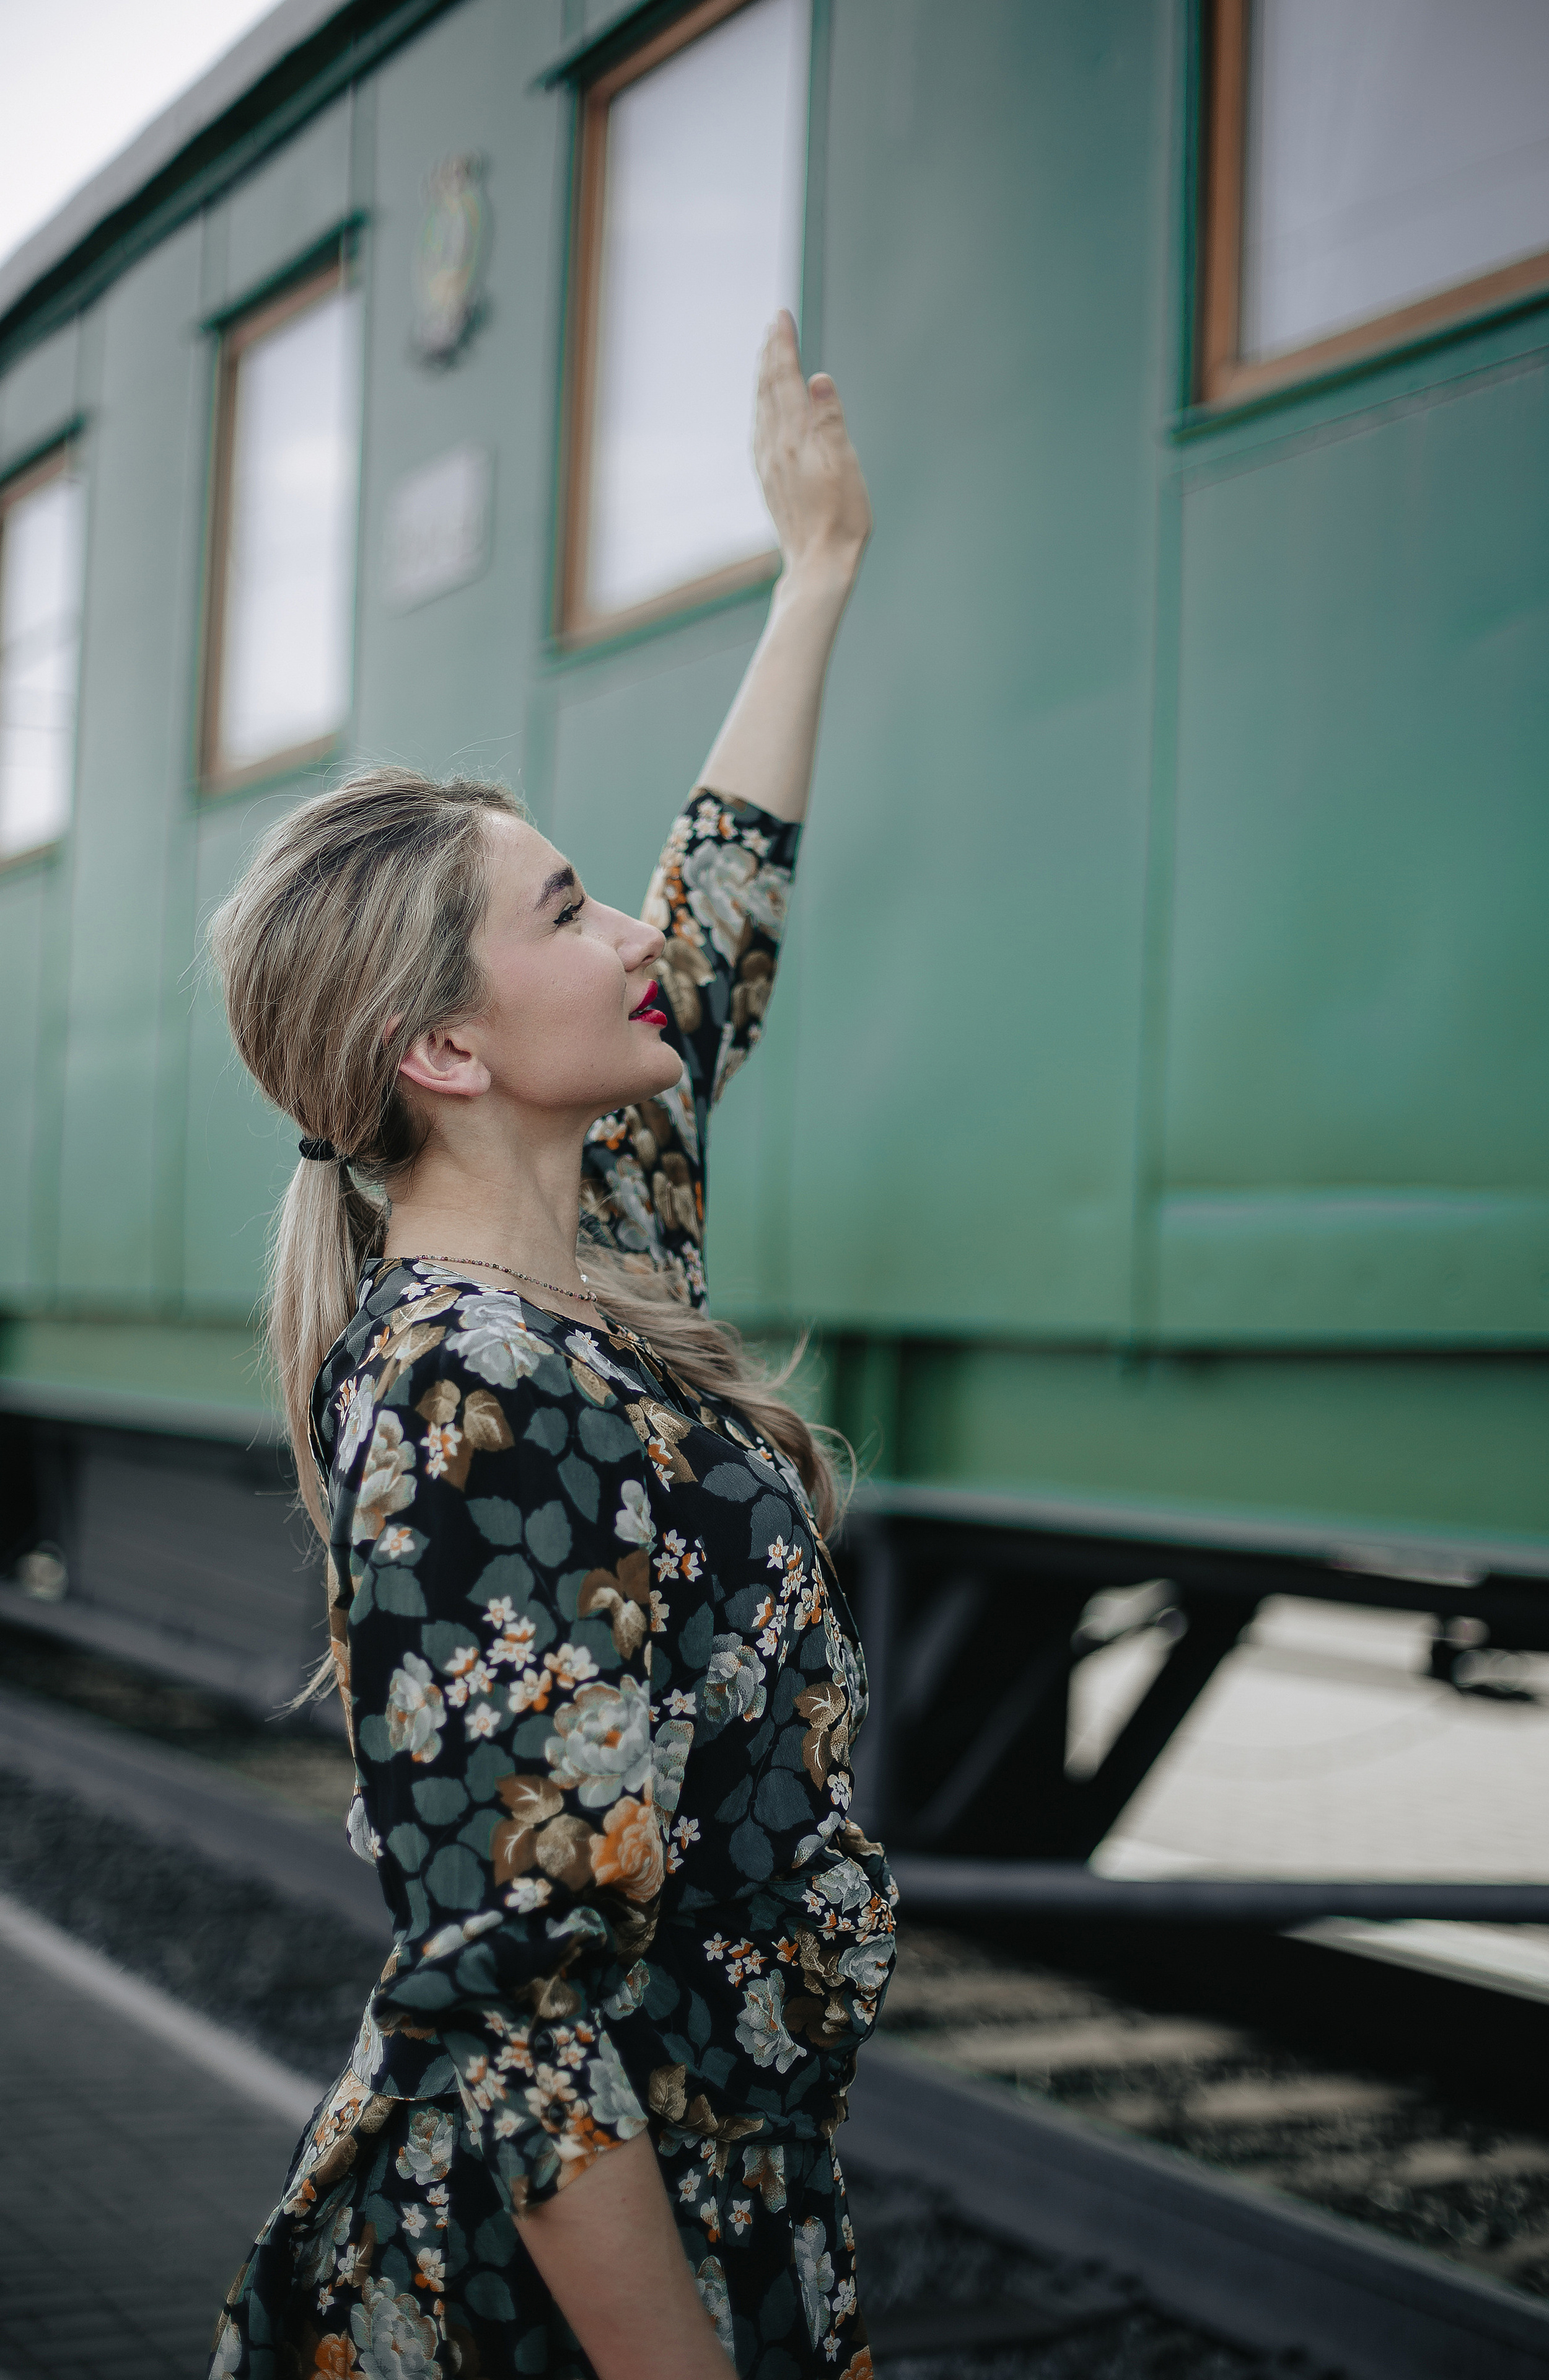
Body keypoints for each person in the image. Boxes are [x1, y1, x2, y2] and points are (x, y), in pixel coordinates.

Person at [208, 313, 892, 2380]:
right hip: (549, 2300)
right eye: (574, 909)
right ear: (445, 1050)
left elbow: (721, 932)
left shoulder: (591, 1240)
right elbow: (515, 2012)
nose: (634, 940)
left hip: (720, 2203)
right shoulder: (471, 1392)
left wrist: (816, 572)